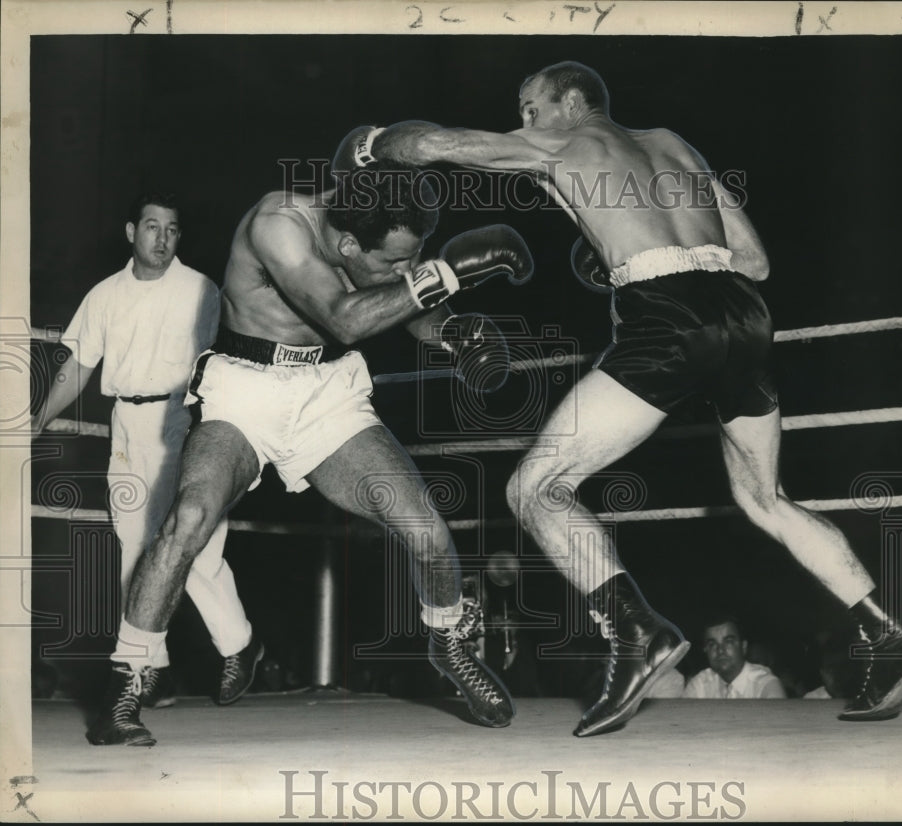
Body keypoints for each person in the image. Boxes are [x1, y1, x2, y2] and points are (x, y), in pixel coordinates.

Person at [336, 60, 902, 736]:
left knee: (536, 488)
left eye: (529, 106)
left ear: (569, 101)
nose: (524, 119)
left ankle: (636, 632)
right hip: (742, 316)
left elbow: (431, 146)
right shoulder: (675, 144)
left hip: (667, 316)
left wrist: (369, 144)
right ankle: (889, 640)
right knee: (767, 498)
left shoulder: (565, 143)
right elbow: (757, 262)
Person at [85, 168, 533, 745]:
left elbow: (399, 300)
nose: (405, 270)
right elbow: (346, 316)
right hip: (244, 391)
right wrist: (445, 272)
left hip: (327, 394)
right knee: (189, 518)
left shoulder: (363, 229)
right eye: (396, 261)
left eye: (413, 260)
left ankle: (448, 643)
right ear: (347, 246)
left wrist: (455, 332)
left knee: (424, 526)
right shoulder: (279, 224)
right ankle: (129, 682)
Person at [33, 192, 257, 710]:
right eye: (152, 227)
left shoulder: (201, 290)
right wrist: (40, 416)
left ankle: (240, 646)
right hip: (127, 426)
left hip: (184, 418)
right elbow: (80, 363)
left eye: (172, 229)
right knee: (133, 549)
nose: (162, 238)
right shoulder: (105, 295)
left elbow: (225, 361)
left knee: (194, 548)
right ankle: (149, 670)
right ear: (131, 232)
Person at [682, 618, 785, 699]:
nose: (720, 650)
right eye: (712, 644)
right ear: (705, 650)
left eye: (728, 641)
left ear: (743, 647)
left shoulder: (765, 685)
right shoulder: (700, 684)